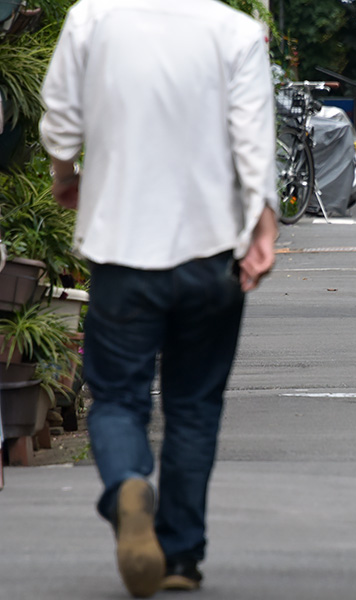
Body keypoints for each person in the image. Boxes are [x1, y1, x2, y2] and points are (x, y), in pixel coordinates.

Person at [40, 0, 278, 596]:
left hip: (122, 252)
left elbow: (62, 120)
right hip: (211, 252)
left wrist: (65, 176)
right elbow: (254, 141)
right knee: (194, 406)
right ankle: (180, 558)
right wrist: (263, 228)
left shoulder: (91, 18)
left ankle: (126, 484)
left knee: (119, 398)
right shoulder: (236, 32)